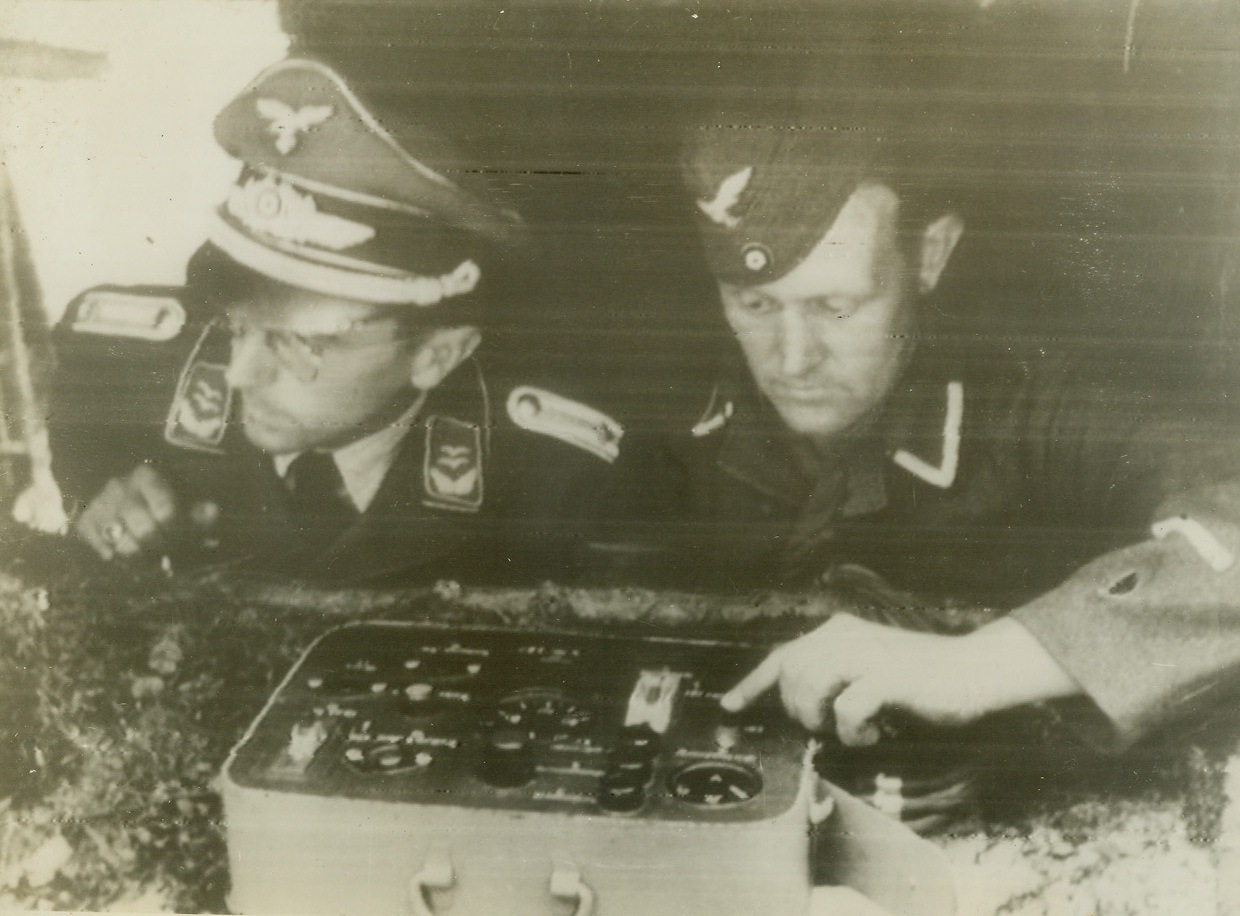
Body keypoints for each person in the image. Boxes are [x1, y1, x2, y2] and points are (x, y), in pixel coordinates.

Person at [637, 80, 1240, 812]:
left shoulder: (1038, 400)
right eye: (754, 304)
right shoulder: (656, 403)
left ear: (932, 254)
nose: (790, 360)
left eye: (835, 306)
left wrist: (972, 668)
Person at [49, 58, 626, 586]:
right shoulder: (115, 378)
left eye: (300, 345)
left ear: (438, 355)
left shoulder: (544, 479)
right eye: (237, 327)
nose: (240, 375)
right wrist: (95, 524)